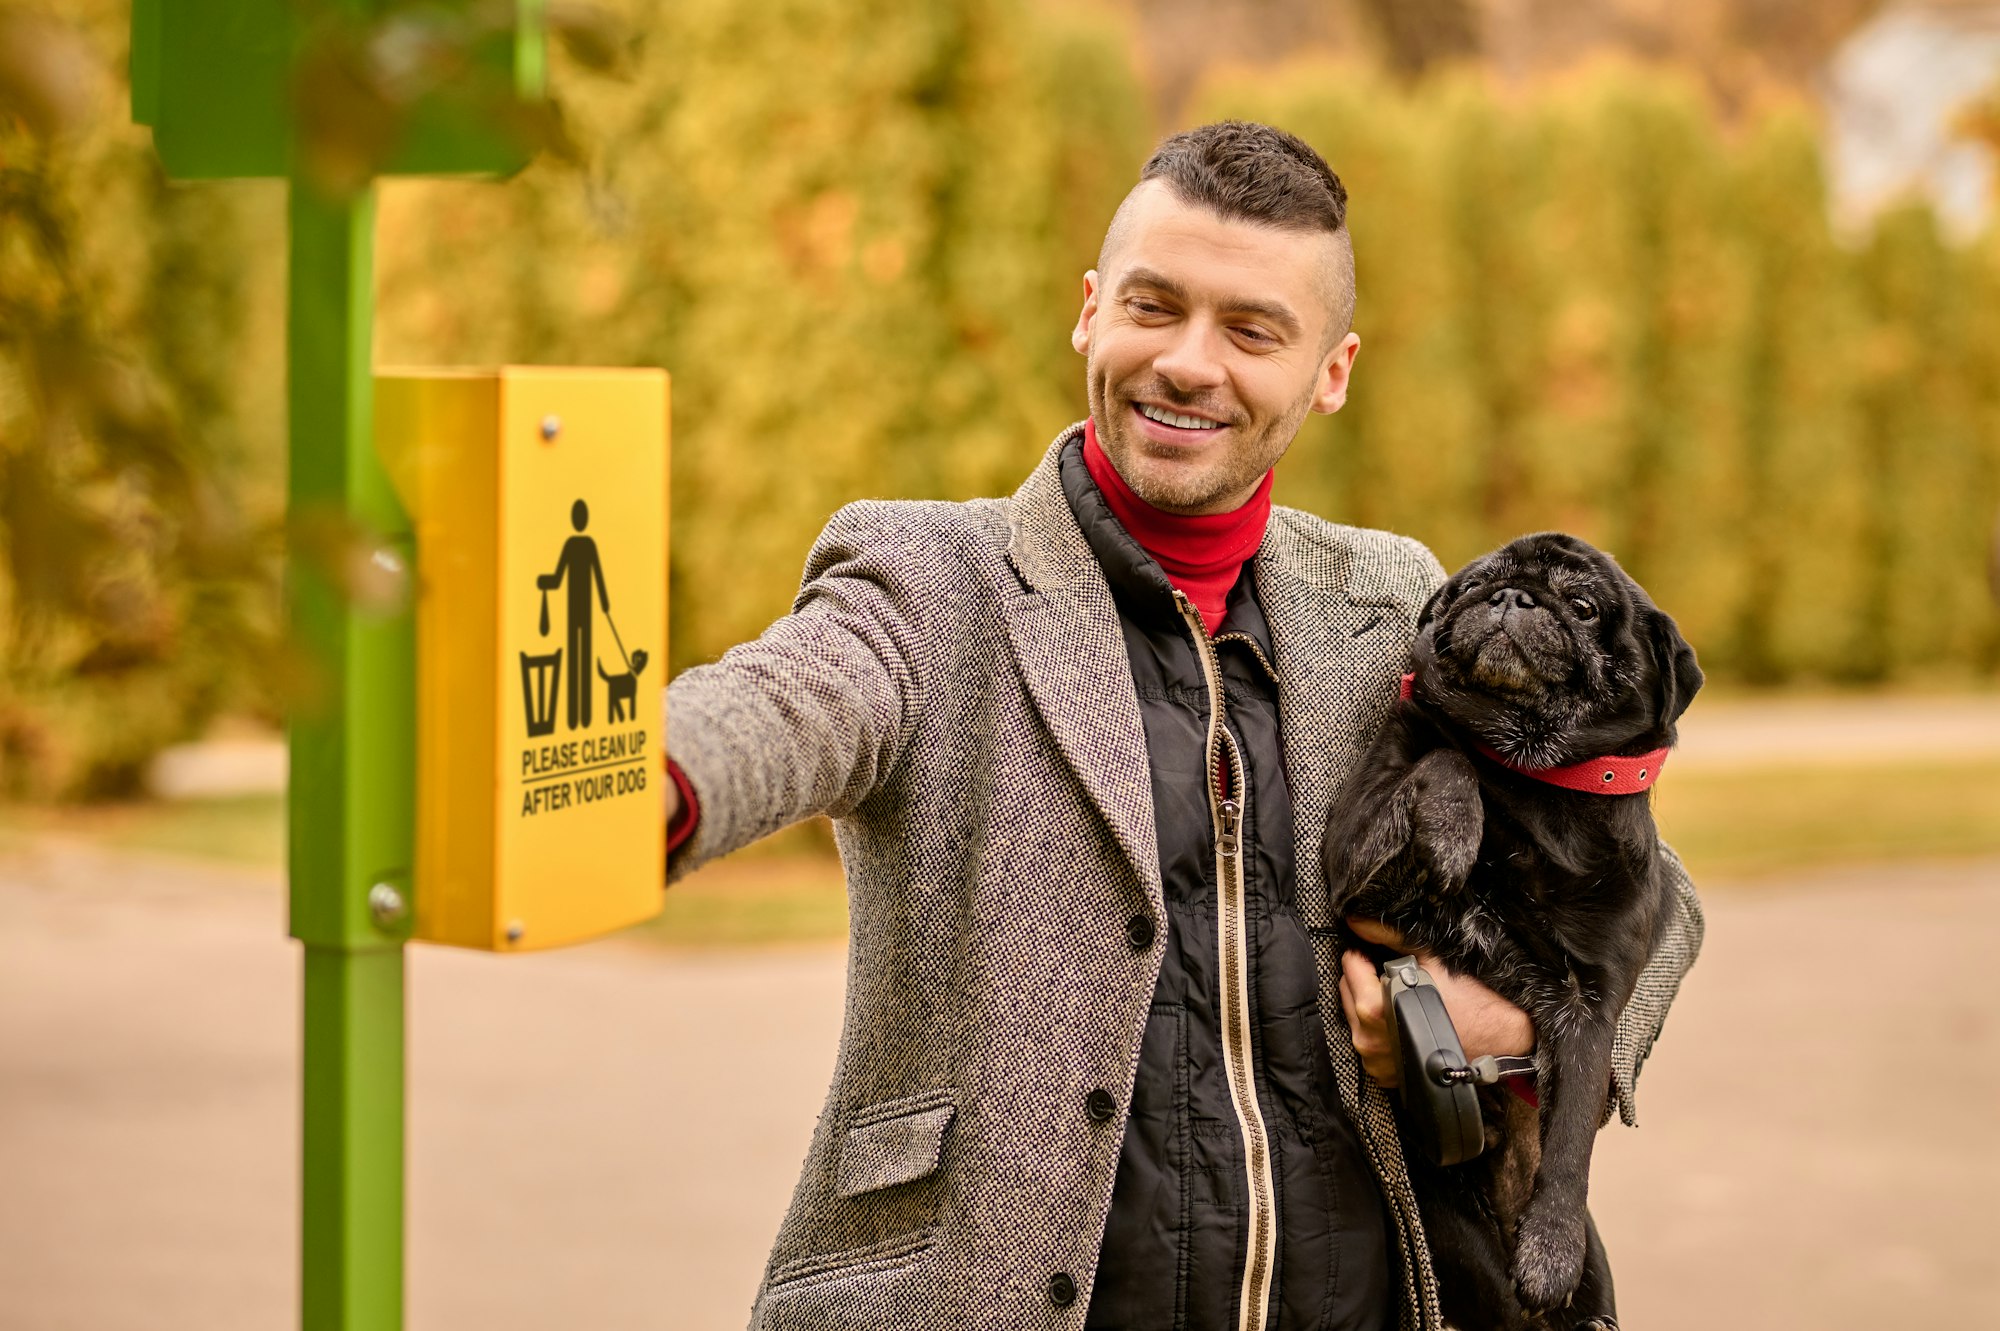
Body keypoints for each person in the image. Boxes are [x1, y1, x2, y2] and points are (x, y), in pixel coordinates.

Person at [662, 122, 1702, 1331]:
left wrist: (1503, 1023)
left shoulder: (1386, 601)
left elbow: (1653, 904)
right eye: (1153, 307)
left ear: (1331, 369)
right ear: (1091, 312)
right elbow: (783, 702)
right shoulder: (929, 578)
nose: (1186, 364)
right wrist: (648, 782)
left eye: (1251, 330)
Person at [538, 498, 611, 731]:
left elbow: (560, 576)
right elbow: (597, 578)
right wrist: (604, 603)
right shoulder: (586, 544)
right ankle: (584, 713)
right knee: (585, 655)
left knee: (575, 657)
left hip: (576, 610)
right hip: (582, 610)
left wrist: (547, 583)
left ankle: (575, 714)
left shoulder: (573, 544)